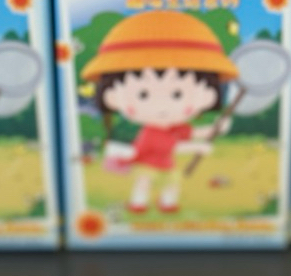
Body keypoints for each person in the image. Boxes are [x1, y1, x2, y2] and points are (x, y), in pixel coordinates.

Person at [81, 11, 238, 214]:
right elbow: (170, 146)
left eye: (178, 94)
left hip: (167, 166)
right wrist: (197, 147)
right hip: (148, 165)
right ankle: (138, 203)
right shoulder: (150, 132)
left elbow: (192, 133)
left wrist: (216, 128)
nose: (163, 107)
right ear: (110, 95)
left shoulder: (176, 127)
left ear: (209, 94)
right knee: (144, 183)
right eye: (143, 95)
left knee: (172, 183)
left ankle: (168, 203)